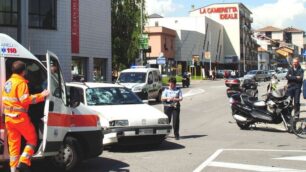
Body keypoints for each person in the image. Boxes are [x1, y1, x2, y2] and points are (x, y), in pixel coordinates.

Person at [2, 60, 49, 172]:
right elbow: (25, 100)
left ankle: (14, 170)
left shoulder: (8, 82)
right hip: (20, 118)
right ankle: (24, 161)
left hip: (9, 118)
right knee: (32, 139)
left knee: (14, 147)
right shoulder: (21, 83)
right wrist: (41, 95)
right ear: (23, 72)